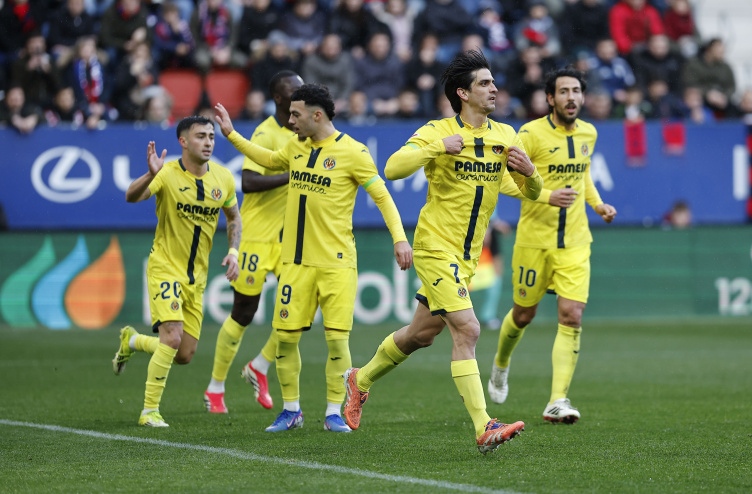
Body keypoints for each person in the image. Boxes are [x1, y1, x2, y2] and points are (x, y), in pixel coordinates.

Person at [340, 50, 544, 454]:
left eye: (493, 82)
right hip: (435, 248)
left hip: (467, 257)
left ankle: (358, 381)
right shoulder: (438, 131)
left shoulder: (506, 136)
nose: (494, 88)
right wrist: (438, 148)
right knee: (468, 329)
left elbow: (531, 195)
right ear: (462, 93)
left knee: (421, 334)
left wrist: (531, 173)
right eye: (485, 83)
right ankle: (484, 425)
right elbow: (395, 167)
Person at [214, 83, 413, 433]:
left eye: (295, 114)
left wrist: (399, 239)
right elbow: (267, 159)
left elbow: (382, 196)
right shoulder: (295, 146)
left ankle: (334, 411)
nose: (290, 121)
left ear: (316, 115)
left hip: (337, 265)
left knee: (337, 341)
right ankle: (291, 411)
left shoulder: (354, 152)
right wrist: (231, 134)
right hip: (294, 262)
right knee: (286, 337)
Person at [489, 67, 617, 425]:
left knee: (572, 315)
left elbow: (583, 174)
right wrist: (546, 196)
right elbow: (501, 180)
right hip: (534, 241)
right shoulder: (529, 134)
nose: (572, 97)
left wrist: (598, 204)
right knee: (523, 315)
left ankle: (557, 400)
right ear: (550, 98)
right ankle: (500, 364)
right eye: (564, 91)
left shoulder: (589, 132)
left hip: (576, 241)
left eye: (576, 91)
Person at [111, 115, 241, 427]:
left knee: (183, 353)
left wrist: (234, 251)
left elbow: (234, 217)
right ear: (183, 142)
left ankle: (131, 341)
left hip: (197, 277)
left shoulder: (223, 178)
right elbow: (131, 195)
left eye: (211, 136)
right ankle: (149, 411)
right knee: (171, 338)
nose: (208, 141)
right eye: (200, 136)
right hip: (165, 268)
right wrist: (149, 175)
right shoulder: (167, 173)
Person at [204, 71, 302, 414]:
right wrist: (293, 175)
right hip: (257, 238)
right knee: (244, 312)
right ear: (279, 99)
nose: (301, 97)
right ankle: (215, 387)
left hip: (288, 239)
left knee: (300, 311)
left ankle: (259, 365)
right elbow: (248, 181)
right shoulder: (265, 132)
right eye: (295, 93)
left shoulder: (303, 132)